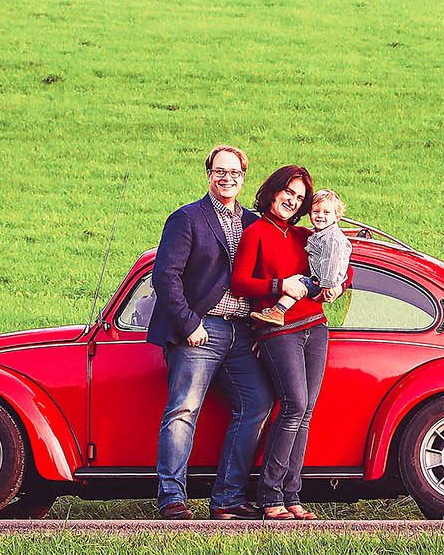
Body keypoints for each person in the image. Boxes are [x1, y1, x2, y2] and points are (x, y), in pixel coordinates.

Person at [145, 144, 275, 520]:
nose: (227, 178)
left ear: (243, 177)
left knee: (257, 403)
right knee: (183, 409)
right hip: (199, 330)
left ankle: (227, 499)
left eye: (235, 172)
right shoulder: (187, 218)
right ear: (208, 174)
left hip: (244, 334)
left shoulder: (253, 223)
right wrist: (189, 324)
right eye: (220, 171)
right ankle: (172, 498)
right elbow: (164, 277)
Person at [229, 166, 342, 520]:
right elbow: (240, 283)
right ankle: (270, 495)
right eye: (287, 193)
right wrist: (279, 287)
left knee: (306, 412)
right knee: (293, 405)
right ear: (273, 191)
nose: (292, 201)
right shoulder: (256, 233)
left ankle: (293, 495)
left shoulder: (304, 235)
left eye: (299, 197)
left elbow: (337, 257)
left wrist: (340, 283)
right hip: (278, 330)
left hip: (316, 326)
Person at [252, 188, 350, 326]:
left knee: (299, 282)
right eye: (315, 212)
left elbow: (331, 262)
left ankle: (278, 311)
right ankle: (277, 312)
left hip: (323, 283)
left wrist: (329, 286)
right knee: (301, 281)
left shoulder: (332, 238)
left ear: (337, 216)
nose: (320, 216)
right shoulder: (319, 235)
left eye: (326, 212)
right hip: (323, 280)